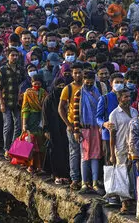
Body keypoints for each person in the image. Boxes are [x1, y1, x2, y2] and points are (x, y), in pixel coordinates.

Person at [72, 70, 104, 195]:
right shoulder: (79, 94)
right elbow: (76, 113)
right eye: (87, 82)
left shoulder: (98, 93)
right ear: (84, 81)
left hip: (96, 128)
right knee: (85, 156)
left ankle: (95, 182)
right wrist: (76, 130)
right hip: (84, 128)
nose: (89, 84)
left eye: (91, 82)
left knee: (96, 155)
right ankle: (85, 183)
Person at [58, 62, 84, 191]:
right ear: (72, 74)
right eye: (75, 73)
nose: (78, 75)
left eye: (80, 72)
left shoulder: (88, 86)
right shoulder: (68, 88)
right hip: (73, 124)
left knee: (87, 154)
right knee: (74, 152)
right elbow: (60, 108)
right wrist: (68, 124)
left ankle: (86, 180)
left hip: (86, 125)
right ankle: (75, 178)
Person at [0, 47, 24, 159]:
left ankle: (15, 148)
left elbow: (22, 84)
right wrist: (1, 104)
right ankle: (6, 148)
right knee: (8, 125)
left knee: (18, 125)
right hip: (6, 100)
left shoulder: (20, 69)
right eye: (12, 55)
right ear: (8, 56)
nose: (14, 57)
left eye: (16, 55)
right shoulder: (3, 69)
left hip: (17, 102)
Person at [21, 74, 47, 172]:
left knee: (40, 144)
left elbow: (46, 107)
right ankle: (30, 165)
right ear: (31, 83)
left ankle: (39, 166)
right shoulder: (28, 93)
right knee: (30, 143)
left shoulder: (43, 92)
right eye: (35, 83)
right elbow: (25, 109)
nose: (37, 85)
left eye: (38, 83)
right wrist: (24, 123)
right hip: (31, 119)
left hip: (40, 119)